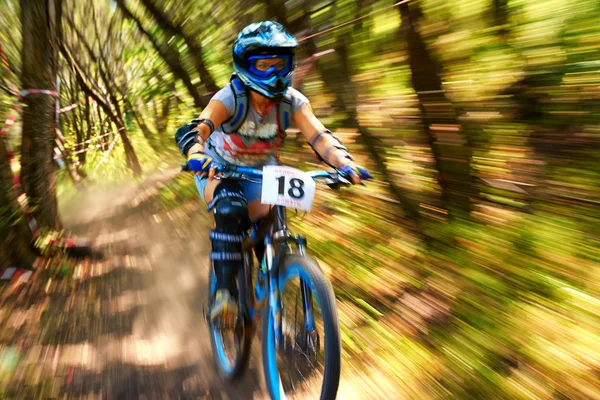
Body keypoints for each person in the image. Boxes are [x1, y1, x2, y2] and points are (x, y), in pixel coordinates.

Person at [175, 21, 371, 324]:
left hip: (262, 171)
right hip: (218, 168)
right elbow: (197, 129)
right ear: (245, 66)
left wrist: (343, 162)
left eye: (281, 65)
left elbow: (318, 135)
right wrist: (196, 154)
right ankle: (224, 296)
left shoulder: (292, 102)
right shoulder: (230, 98)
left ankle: (270, 277)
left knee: (270, 219)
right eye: (263, 65)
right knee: (230, 208)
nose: (274, 74)